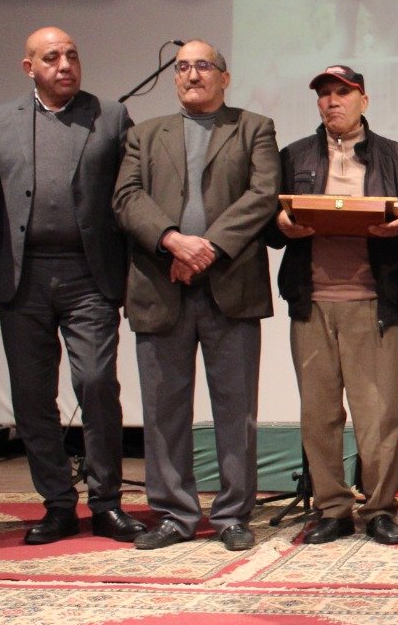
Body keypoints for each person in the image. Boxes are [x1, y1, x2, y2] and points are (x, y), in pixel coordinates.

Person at [0, 28, 145, 545]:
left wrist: (134, 274)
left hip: (89, 275)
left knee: (96, 383)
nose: (65, 64)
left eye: (72, 55)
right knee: (32, 396)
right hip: (21, 276)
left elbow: (131, 196)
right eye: (52, 57)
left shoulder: (110, 116)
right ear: (29, 67)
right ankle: (57, 504)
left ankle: (107, 503)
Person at [112, 40, 279, 552]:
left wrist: (207, 248)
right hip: (160, 284)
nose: (191, 75)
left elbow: (263, 195)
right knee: (163, 409)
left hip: (230, 285)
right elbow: (126, 197)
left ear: (224, 78)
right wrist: (171, 241)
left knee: (236, 408)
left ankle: (232, 514)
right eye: (183, 67)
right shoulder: (144, 134)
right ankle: (174, 514)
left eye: (203, 66)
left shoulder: (254, 127)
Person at [270, 65, 398, 546]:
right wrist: (281, 224)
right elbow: (268, 226)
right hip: (312, 303)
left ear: (364, 100)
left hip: (375, 302)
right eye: (324, 94)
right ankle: (332, 509)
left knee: (379, 415)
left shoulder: (396, 157)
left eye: (343, 92)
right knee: (318, 415)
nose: (332, 101)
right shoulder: (294, 156)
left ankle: (380, 508)